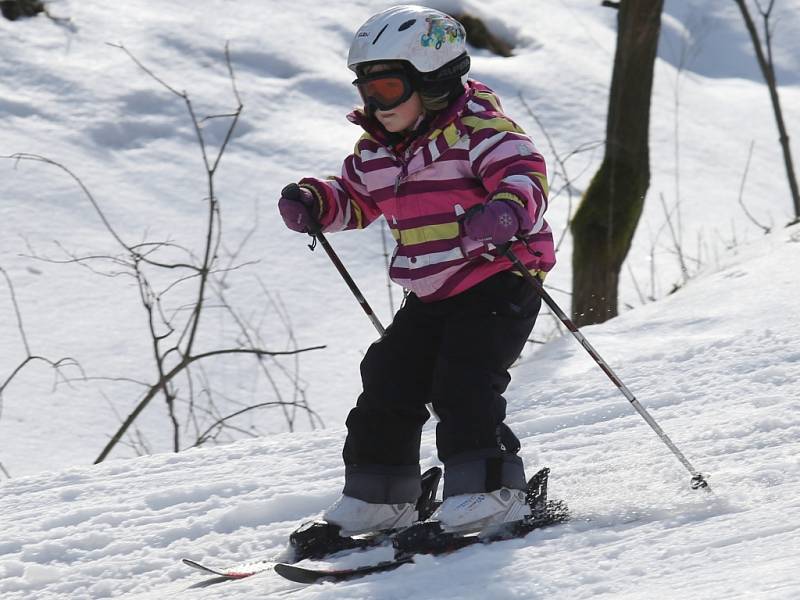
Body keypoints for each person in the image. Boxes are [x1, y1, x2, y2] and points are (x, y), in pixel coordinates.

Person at [278, 5, 555, 535]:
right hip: (432, 291)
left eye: (385, 89)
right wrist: (317, 202)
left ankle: (491, 489)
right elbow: (356, 200)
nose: (373, 104)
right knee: (387, 376)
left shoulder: (482, 132)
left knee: (464, 381)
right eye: (365, 90)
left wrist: (505, 210)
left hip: (500, 277)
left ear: (432, 81)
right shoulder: (377, 151)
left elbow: (525, 176)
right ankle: (382, 494)